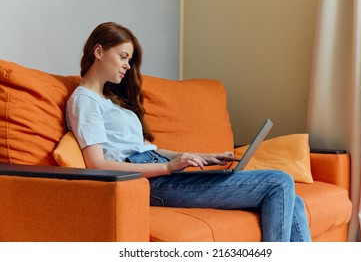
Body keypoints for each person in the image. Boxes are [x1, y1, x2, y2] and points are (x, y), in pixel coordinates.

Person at [66, 22, 311, 242]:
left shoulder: (109, 100)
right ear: (99, 51)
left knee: (292, 200)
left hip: (161, 172)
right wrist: (166, 168)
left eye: (129, 60)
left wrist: (199, 156)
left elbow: (146, 149)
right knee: (279, 182)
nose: (127, 67)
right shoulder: (85, 101)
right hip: (150, 182)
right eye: (123, 57)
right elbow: (96, 164)